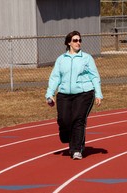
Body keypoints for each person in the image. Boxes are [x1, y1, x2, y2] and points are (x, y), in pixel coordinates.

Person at [45, 30, 103, 160]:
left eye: (80, 40)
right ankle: (66, 135)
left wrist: (98, 94)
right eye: (75, 40)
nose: (78, 43)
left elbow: (95, 76)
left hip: (84, 93)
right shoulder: (61, 59)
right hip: (64, 94)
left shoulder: (86, 58)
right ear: (69, 43)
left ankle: (77, 149)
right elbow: (55, 78)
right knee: (64, 120)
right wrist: (49, 94)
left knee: (78, 120)